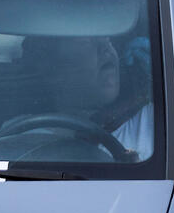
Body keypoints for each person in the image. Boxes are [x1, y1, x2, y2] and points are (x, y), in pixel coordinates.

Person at [18, 35, 153, 159]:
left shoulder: (153, 120)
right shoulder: (21, 134)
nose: (106, 48)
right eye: (85, 41)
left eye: (108, 39)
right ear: (52, 70)